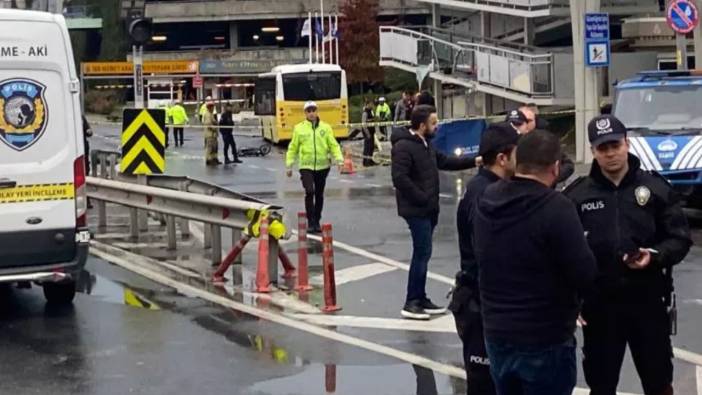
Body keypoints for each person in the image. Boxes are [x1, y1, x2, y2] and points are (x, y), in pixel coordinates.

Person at [564, 115, 692, 395]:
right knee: (601, 383)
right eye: (602, 148)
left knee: (658, 381)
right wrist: (572, 299)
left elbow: (680, 239)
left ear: (626, 144)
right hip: (599, 306)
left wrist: (654, 255)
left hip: (647, 301)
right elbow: (563, 252)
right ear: (593, 151)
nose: (610, 153)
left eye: (615, 145)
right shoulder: (577, 195)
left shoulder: (655, 188)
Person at [474, 130, 597, 395]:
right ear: (555, 168)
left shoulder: (488, 199)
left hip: (497, 330)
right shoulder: (556, 207)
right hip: (544, 334)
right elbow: (584, 272)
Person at [391, 105, 479, 320]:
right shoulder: (404, 146)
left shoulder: (425, 144)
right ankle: (412, 301)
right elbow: (400, 178)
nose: (436, 126)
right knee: (421, 253)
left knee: (424, 253)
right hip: (417, 209)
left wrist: (474, 160)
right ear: (422, 125)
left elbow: (444, 161)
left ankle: (420, 297)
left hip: (428, 209)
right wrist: (422, 198)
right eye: (433, 123)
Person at [449, 123, 519, 395]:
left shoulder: (493, 188)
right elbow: (487, 255)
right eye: (517, 152)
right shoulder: (485, 195)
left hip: (490, 305)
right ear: (502, 158)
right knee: (485, 384)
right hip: (483, 307)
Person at [285, 101, 343, 234]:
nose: (311, 113)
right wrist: (289, 165)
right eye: (308, 111)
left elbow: (333, 145)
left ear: (317, 112)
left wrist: (339, 160)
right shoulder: (299, 128)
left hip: (323, 166)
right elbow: (293, 148)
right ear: (305, 113)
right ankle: (310, 221)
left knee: (319, 194)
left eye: (313, 110)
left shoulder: (326, 128)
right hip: (306, 166)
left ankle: (317, 220)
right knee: (309, 191)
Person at [502, 107, 575, 184]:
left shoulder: (543, 142)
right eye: (512, 124)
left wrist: (549, 178)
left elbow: (568, 165)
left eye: (529, 121)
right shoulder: (501, 144)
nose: (516, 128)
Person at [202, 101, 220, 166]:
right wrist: (215, 128)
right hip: (210, 134)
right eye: (213, 107)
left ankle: (214, 159)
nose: (213, 108)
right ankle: (209, 160)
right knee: (210, 148)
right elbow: (208, 125)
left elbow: (214, 121)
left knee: (215, 147)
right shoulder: (207, 114)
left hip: (213, 135)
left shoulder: (210, 114)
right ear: (210, 107)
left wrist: (217, 123)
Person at [361, 100, 377, 167]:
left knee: (371, 147)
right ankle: (365, 162)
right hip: (367, 132)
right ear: (367, 104)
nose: (372, 105)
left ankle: (370, 160)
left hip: (372, 131)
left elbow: (372, 120)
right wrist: (367, 133)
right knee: (367, 147)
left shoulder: (371, 111)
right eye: (371, 104)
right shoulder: (365, 113)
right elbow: (364, 124)